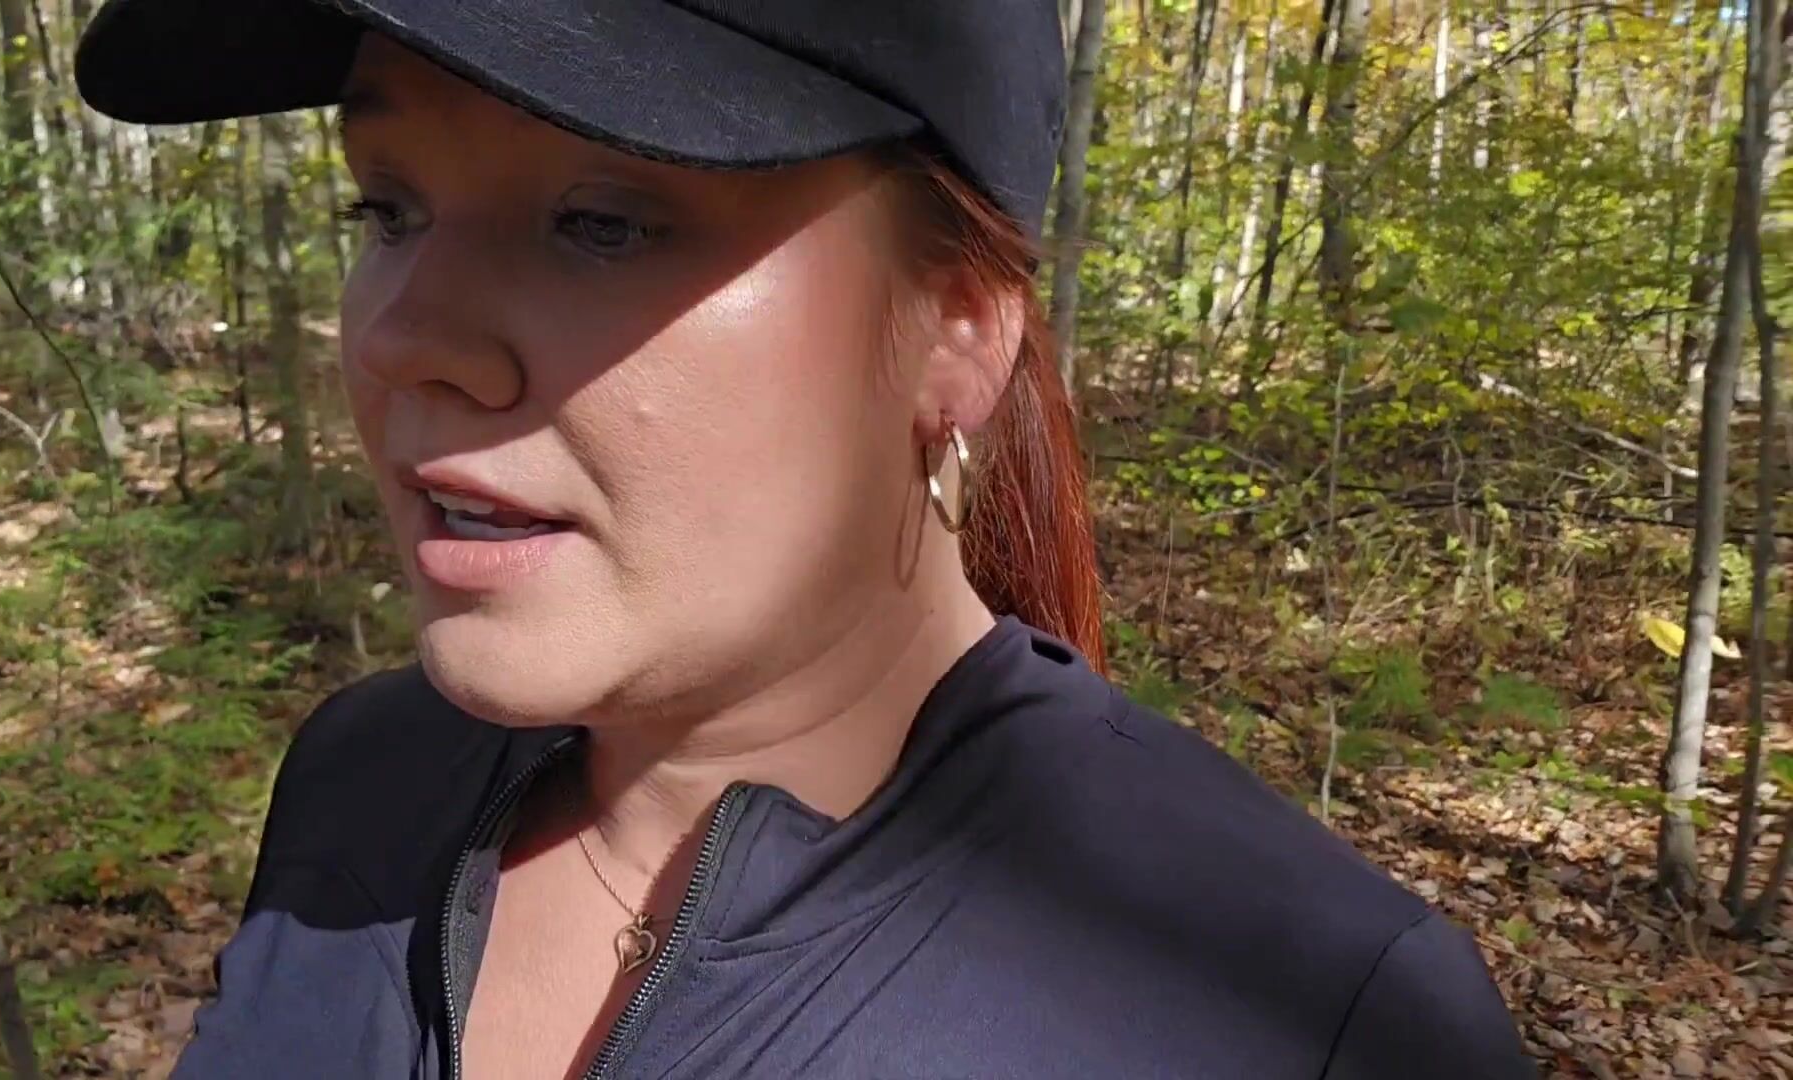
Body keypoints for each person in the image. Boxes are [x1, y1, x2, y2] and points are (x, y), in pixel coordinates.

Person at [75, 2, 1533, 1077]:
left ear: (955, 330)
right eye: (387, 207)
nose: (407, 340)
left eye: (603, 221)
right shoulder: (362, 784)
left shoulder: (1298, 1011)